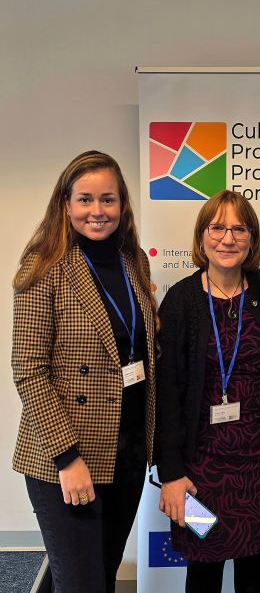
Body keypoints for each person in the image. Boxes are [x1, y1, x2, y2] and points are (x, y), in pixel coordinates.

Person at [11, 151, 157, 593]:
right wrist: (67, 458)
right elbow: (28, 370)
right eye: (86, 199)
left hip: (126, 453)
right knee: (83, 583)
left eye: (108, 199)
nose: (98, 211)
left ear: (122, 205)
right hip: (68, 460)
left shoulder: (134, 263)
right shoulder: (44, 267)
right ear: (66, 204)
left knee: (95, 575)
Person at [155, 190, 260, 593]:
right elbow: (166, 393)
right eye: (218, 227)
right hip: (201, 467)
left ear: (252, 238)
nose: (228, 238)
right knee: (204, 565)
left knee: (255, 564)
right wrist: (170, 472)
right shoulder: (180, 301)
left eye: (239, 228)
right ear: (201, 236)